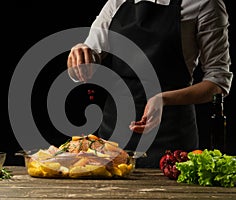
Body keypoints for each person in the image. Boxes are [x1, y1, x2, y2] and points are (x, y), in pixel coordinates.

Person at [67, 0, 233, 168]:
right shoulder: (117, 2)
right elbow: (87, 60)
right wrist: (80, 56)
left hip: (171, 137)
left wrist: (163, 99)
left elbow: (217, 83)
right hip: (113, 136)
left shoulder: (205, 3)